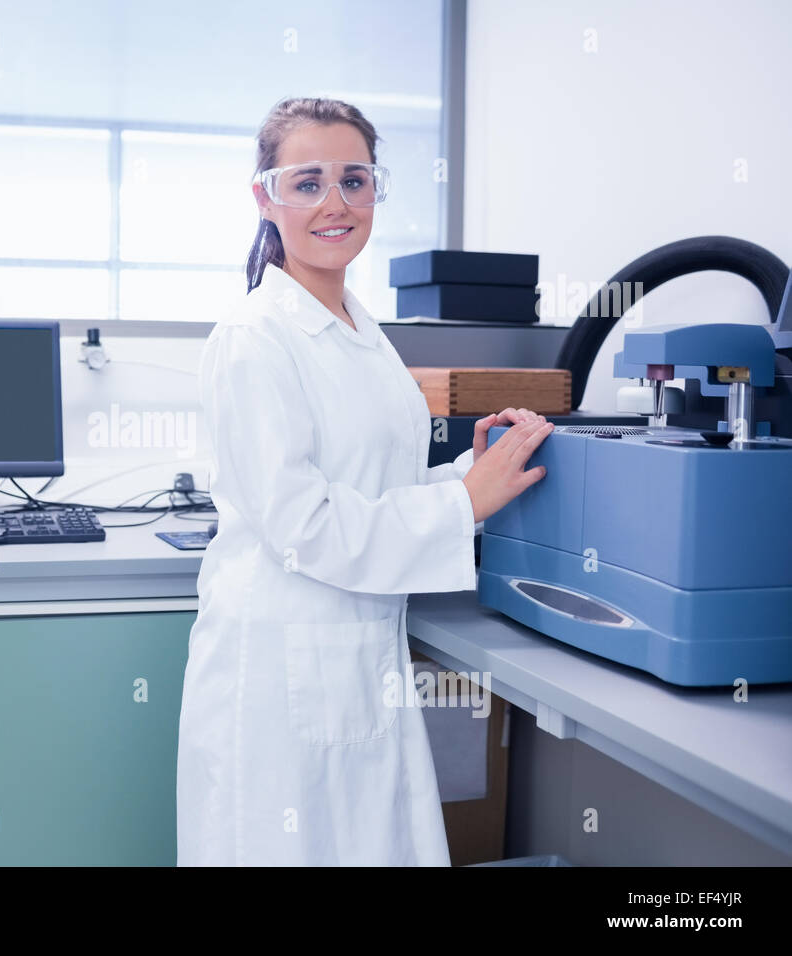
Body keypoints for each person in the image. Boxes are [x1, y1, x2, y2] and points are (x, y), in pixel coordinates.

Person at [175, 96, 554, 866]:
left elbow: (376, 486)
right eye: (307, 183)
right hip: (280, 670)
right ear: (265, 198)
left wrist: (472, 474)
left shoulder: (361, 328)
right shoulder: (254, 338)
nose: (336, 203)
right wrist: (462, 503)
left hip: (355, 657)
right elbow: (305, 526)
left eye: (355, 180)